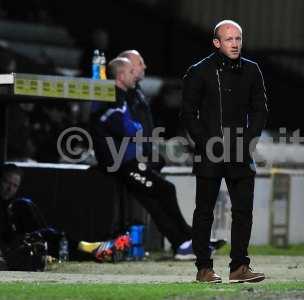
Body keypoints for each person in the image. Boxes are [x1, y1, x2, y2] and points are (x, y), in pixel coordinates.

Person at [90, 57, 223, 260]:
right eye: (131, 70)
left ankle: (186, 243)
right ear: (121, 75)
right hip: (122, 163)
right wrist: (136, 130)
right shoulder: (115, 97)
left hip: (128, 160)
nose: (137, 73)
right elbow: (124, 126)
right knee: (165, 190)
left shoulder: (123, 95)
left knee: (155, 201)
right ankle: (186, 241)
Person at [181, 20, 269, 283]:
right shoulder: (199, 71)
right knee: (204, 211)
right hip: (210, 150)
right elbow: (187, 113)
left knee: (243, 210)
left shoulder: (252, 70)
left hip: (240, 150)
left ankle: (239, 267)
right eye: (229, 39)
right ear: (216, 43)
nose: (235, 44)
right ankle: (204, 269)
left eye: (238, 39)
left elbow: (260, 110)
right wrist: (204, 141)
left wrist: (248, 141)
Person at [0, 164, 61, 269]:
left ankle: (86, 247)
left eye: (15, 186)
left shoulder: (12, 207)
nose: (10, 189)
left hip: (17, 247)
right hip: (7, 253)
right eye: (6, 182)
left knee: (48, 233)